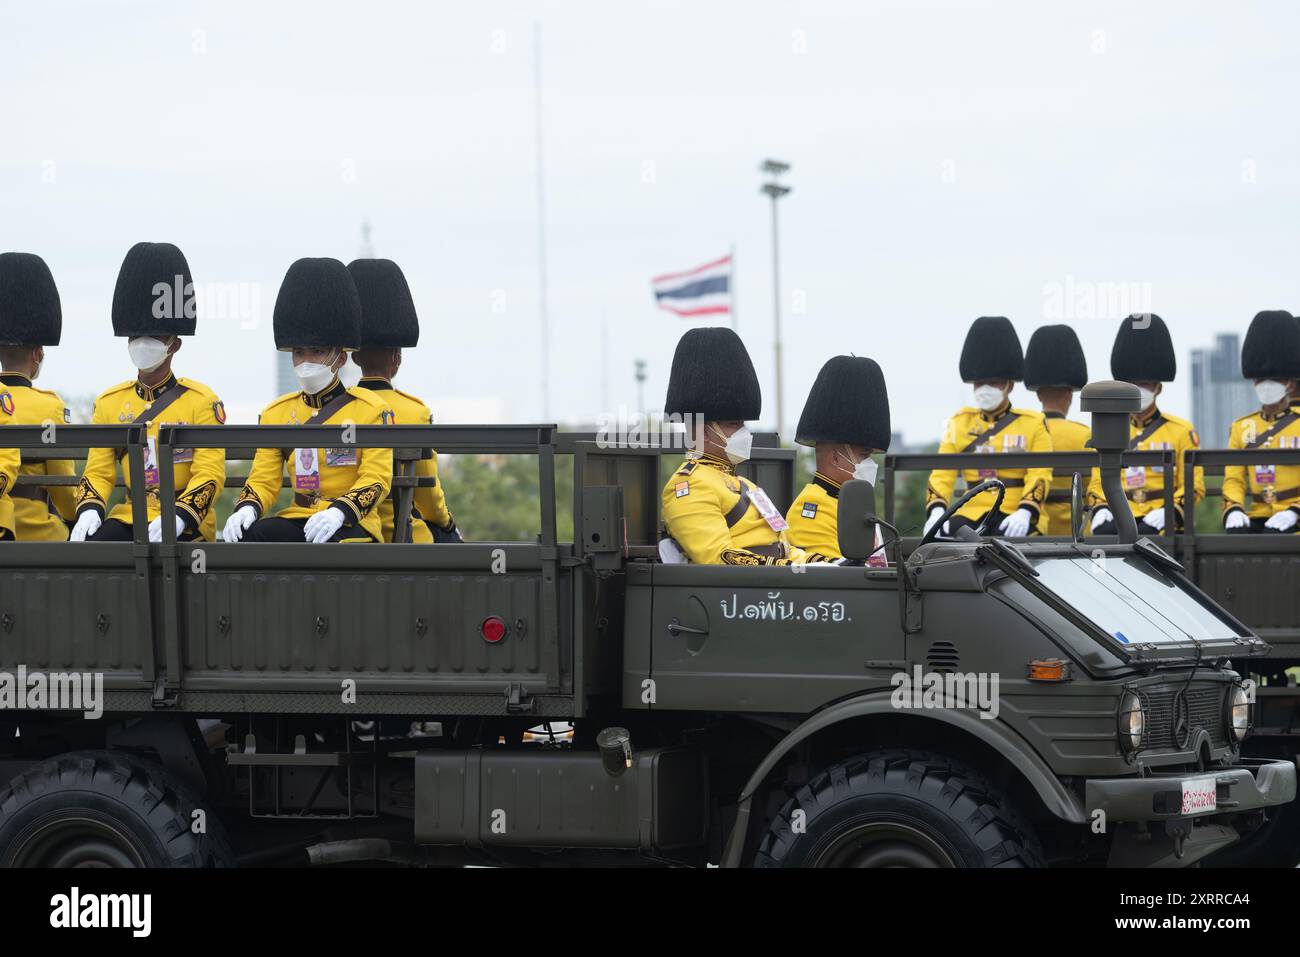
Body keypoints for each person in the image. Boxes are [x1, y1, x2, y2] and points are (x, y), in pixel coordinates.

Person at [222, 258, 393, 543]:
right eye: (299, 352)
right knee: (250, 539)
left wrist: (340, 511)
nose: (305, 361)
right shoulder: (277, 414)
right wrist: (247, 508)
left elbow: (376, 478)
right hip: (299, 518)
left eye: (315, 351)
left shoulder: (371, 410)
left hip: (353, 522)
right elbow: (264, 479)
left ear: (341, 357)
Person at [70, 243, 226, 542]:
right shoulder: (109, 403)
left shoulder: (202, 402)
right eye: (136, 336)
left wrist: (181, 515)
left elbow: (209, 472)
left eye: (154, 336)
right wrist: (90, 508)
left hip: (185, 520)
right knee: (91, 550)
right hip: (130, 515)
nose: (143, 343)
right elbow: (99, 471)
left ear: (174, 344)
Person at [660, 327, 825, 565]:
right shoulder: (688, 487)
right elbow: (718, 557)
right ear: (704, 431)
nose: (743, 432)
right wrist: (787, 568)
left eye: (742, 424)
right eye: (732, 424)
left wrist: (819, 564)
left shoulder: (746, 485)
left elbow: (784, 547)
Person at [347, 258, 460, 543]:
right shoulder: (414, 411)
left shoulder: (338, 409)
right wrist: (447, 523)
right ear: (397, 358)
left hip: (351, 530)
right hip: (403, 536)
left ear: (355, 356)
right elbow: (429, 497)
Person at [925, 316, 1051, 538]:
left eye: (994, 382)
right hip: (970, 513)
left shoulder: (1033, 423)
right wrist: (936, 510)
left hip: (1014, 514)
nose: (984, 388)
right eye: (979, 382)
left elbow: (1040, 473)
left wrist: (1026, 510)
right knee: (937, 546)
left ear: (1009, 385)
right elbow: (942, 473)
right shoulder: (959, 423)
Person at [1087, 314, 1204, 535]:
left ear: (1158, 387)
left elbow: (1194, 485)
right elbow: (1097, 480)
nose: (1139, 389)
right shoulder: (1108, 429)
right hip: (1119, 513)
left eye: (1146, 383)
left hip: (1161, 519)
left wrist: (1170, 511)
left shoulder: (1181, 431)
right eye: (1133, 383)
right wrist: (1101, 507)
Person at [0, 253, 76, 541]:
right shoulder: (49, 406)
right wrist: (76, 517)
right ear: (37, 354)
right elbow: (64, 490)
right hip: (36, 531)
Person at [784, 355, 890, 561]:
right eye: (864, 455)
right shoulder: (812, 507)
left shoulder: (850, 504)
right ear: (834, 457)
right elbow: (840, 578)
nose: (870, 464)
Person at [1222, 310, 1300, 533]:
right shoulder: (1241, 427)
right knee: (1236, 535)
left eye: (1275, 379)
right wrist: (1234, 508)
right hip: (1258, 514)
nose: (1266, 385)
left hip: (1293, 517)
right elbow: (1234, 479)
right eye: (1261, 379)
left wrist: (1295, 511)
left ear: (1290, 384)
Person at [1023, 324, 1091, 535]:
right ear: (1070, 395)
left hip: (1031, 530)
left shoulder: (1025, 434)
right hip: (1077, 534)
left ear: (1038, 395)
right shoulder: (1085, 435)